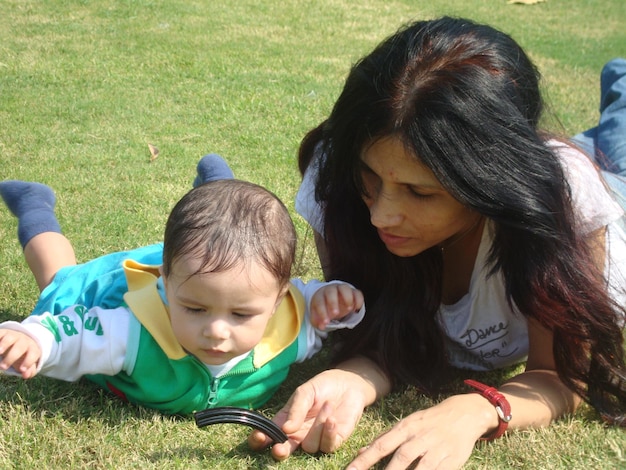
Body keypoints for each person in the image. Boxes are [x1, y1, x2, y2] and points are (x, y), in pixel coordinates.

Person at [248, 17, 626, 469]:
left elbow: (563, 376)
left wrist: (477, 409)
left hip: (609, 186)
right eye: (371, 177)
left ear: (492, 187)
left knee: (615, 146)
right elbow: (385, 332)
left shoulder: (564, 200)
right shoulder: (337, 180)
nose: (379, 215)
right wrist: (355, 376)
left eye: (421, 192)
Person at [0, 155, 365, 415]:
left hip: (203, 266)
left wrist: (328, 299)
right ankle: (35, 205)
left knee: (230, 230)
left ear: (275, 303)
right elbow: (74, 331)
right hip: (116, 289)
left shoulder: (288, 324)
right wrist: (36, 339)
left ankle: (217, 188)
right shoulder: (130, 331)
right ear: (165, 283)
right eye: (195, 310)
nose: (216, 331)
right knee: (58, 277)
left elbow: (311, 303)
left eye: (241, 314)